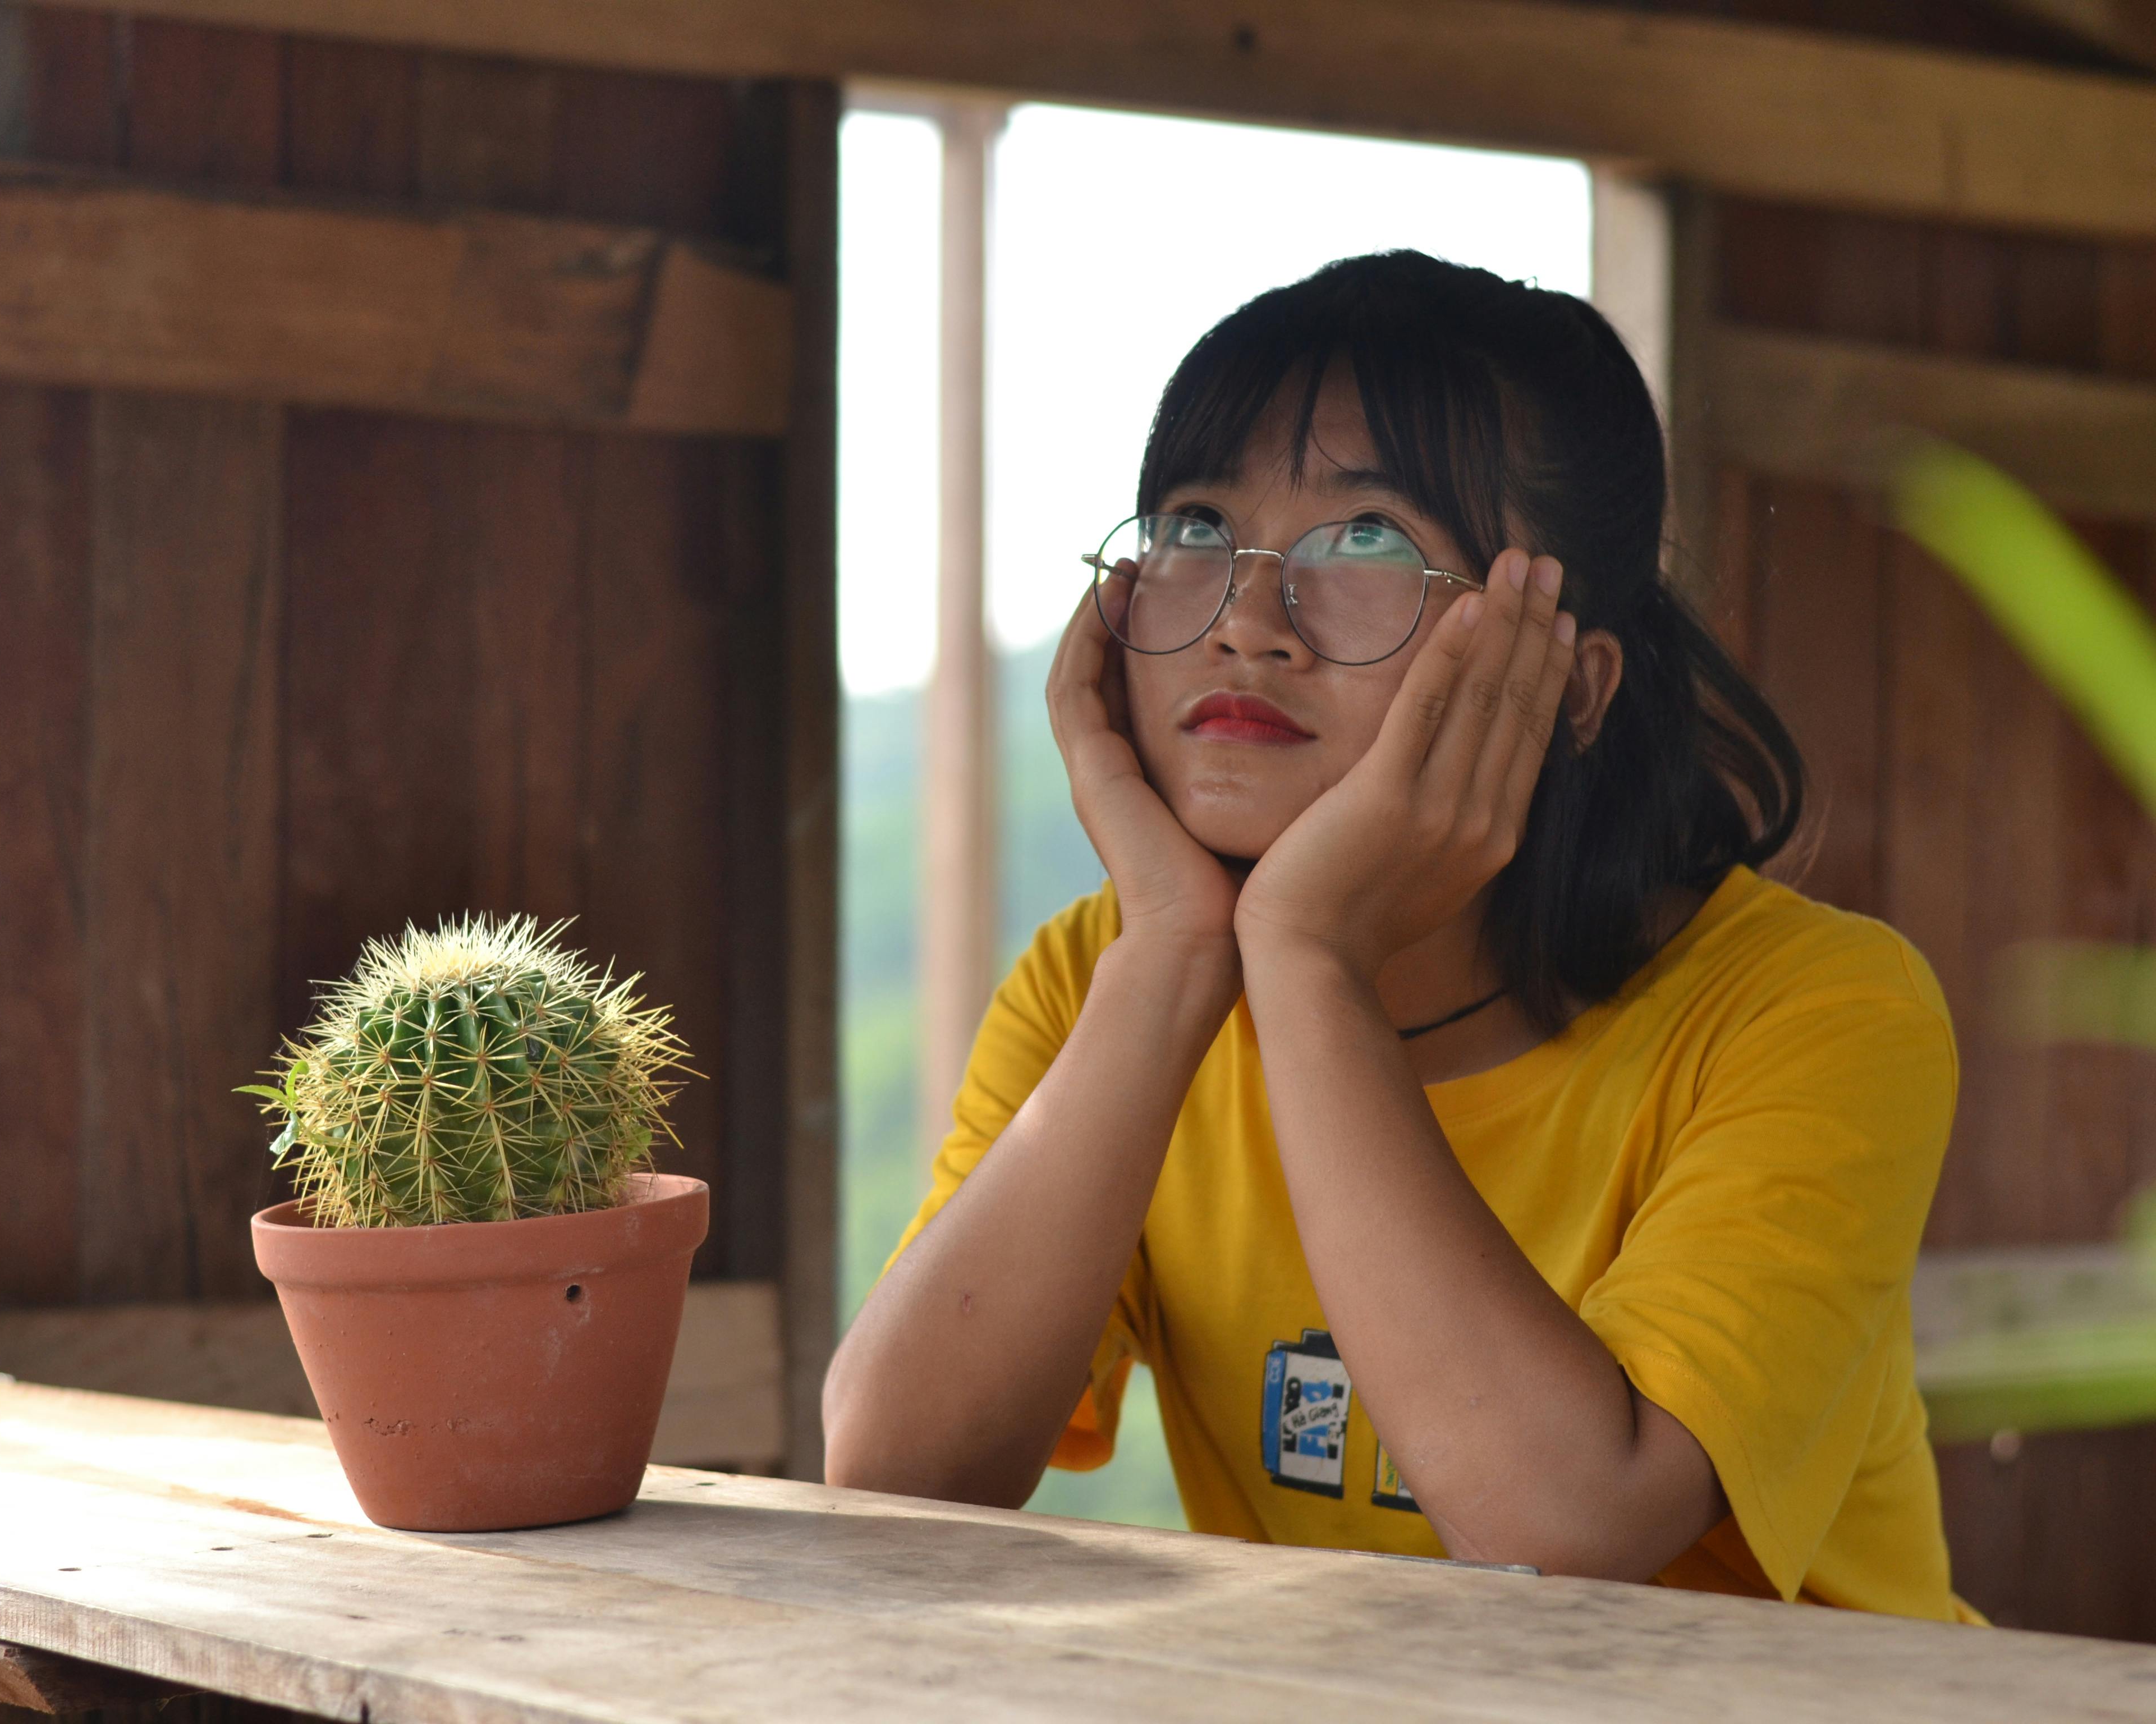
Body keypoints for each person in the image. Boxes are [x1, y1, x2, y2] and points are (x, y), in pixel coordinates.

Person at [822, 250, 1976, 1621]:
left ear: (1570, 681)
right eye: (1193, 527)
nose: (1246, 620)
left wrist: (1307, 958)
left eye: (1365, 539)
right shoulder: (1114, 979)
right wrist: (1183, 953)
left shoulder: (1816, 1009)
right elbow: (895, 1471)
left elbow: (1559, 1529)